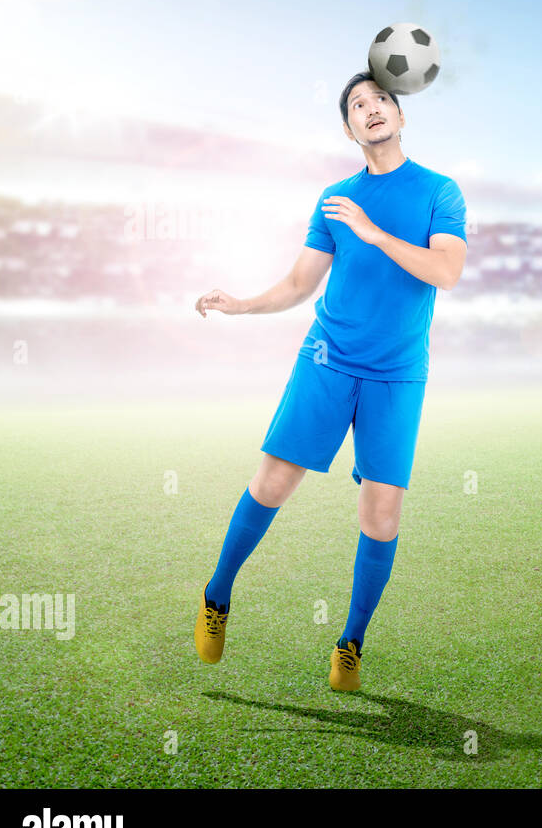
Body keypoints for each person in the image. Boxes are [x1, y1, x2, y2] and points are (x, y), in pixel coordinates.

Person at [191, 70, 467, 691]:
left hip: (397, 374)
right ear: (348, 128)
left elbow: (445, 272)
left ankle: (350, 643)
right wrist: (239, 304)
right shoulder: (335, 197)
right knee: (274, 480)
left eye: (381, 100)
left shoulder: (439, 192)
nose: (371, 109)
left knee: (382, 515)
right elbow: (297, 286)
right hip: (328, 359)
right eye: (358, 105)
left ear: (401, 115)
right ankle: (216, 594)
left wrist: (373, 232)